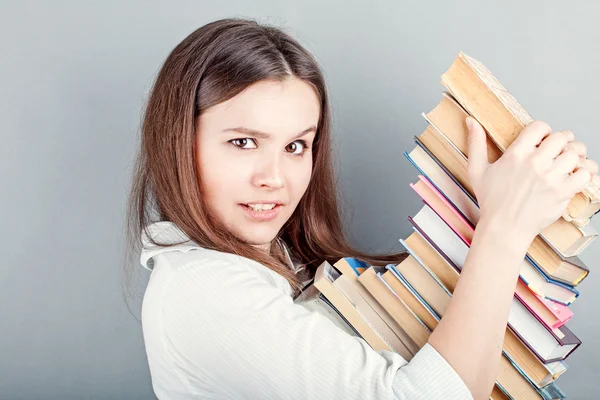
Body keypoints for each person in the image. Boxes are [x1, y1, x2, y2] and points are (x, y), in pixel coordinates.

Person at [124, 17, 598, 400]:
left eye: (295, 146)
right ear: (178, 145)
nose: (275, 177)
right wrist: (504, 227)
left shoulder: (273, 263)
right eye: (244, 142)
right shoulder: (204, 290)